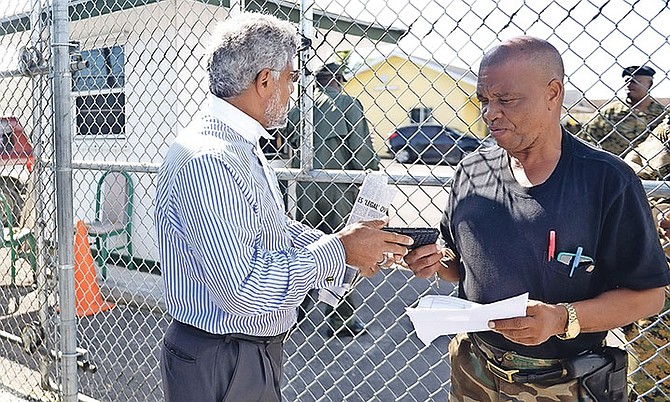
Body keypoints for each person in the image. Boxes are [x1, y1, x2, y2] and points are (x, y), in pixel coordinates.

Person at [154, 12, 413, 402]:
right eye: (291, 78)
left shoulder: (234, 144)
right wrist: (339, 250)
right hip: (226, 356)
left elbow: (270, 229)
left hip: (235, 352)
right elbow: (241, 290)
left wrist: (349, 248)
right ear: (264, 81)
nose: (293, 92)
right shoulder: (211, 159)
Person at [405, 36, 670, 401]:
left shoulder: (607, 180)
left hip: (564, 382)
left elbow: (649, 297)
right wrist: (434, 260)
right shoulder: (472, 170)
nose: (490, 113)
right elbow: (457, 262)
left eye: (505, 99)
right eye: (485, 101)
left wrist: (561, 319)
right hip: (474, 368)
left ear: (553, 93)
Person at [285, 62, 379, 337]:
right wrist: (373, 183)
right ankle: (340, 320)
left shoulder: (299, 107)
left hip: (304, 191)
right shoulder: (348, 104)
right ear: (339, 80)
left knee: (307, 249)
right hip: (337, 187)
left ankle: (294, 312)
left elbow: (288, 139)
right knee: (342, 253)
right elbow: (361, 150)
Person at [581, 65, 667, 156]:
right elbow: (587, 138)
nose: (629, 85)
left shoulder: (662, 115)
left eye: (635, 81)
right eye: (627, 81)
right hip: (613, 166)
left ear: (650, 84)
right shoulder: (609, 112)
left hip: (648, 167)